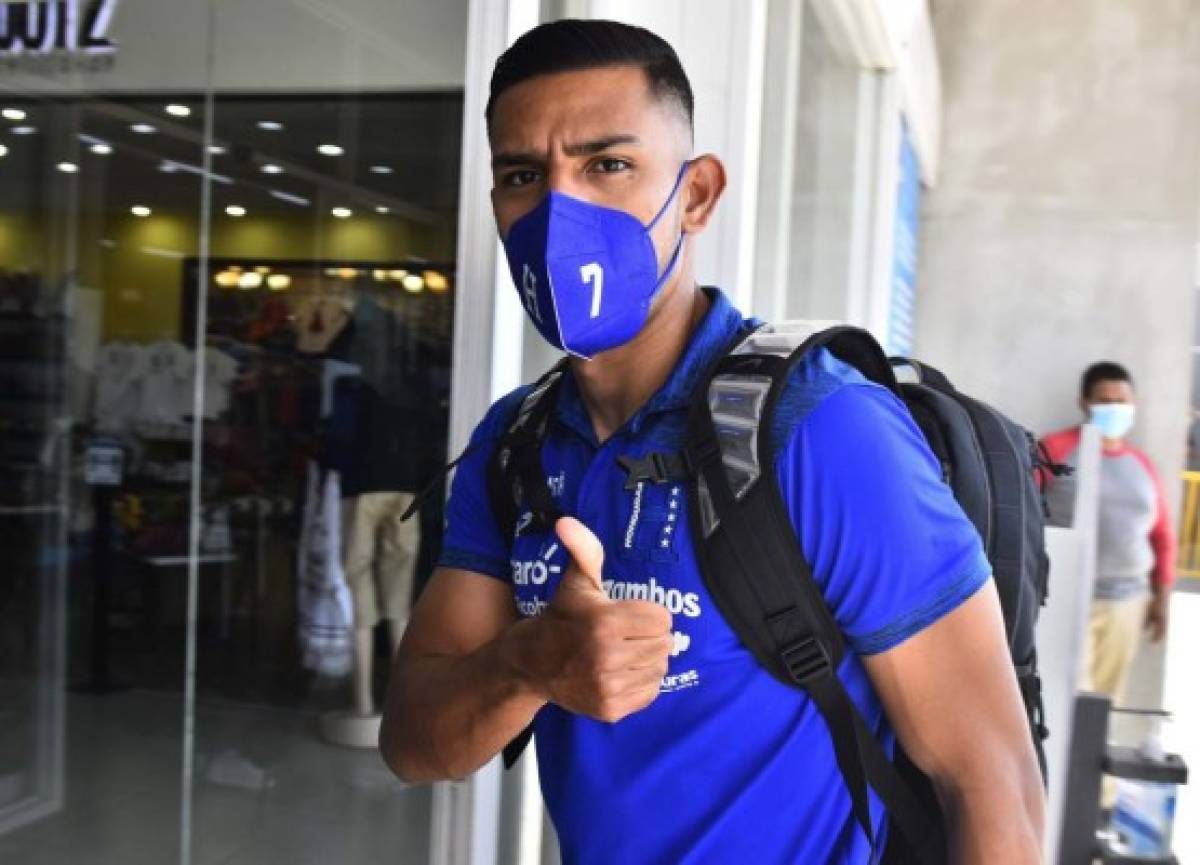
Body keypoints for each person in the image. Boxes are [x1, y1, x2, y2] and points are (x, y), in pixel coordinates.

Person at [379, 19, 1043, 865]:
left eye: (607, 165)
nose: (558, 210)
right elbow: (414, 742)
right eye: (522, 176)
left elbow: (994, 785)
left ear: (695, 195)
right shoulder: (517, 441)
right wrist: (526, 664)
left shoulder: (821, 427)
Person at [1041, 362, 1175, 703]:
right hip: (1066, 596)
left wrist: (1162, 599)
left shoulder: (1141, 464)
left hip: (1126, 602)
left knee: (1106, 700)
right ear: (1084, 402)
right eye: (1104, 400)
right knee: (1066, 698)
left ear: (1133, 403)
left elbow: (1162, 535)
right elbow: (1022, 509)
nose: (1114, 408)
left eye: (1121, 400)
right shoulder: (1055, 450)